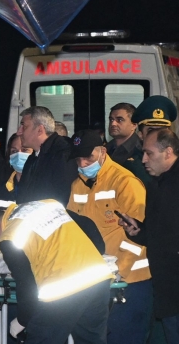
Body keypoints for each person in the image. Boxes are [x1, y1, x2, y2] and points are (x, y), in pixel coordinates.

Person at [0, 201, 112, 343]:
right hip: (98, 278)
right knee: (91, 339)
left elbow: (26, 283)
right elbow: (86, 223)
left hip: (64, 287)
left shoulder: (8, 237)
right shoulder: (45, 204)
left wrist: (22, 320)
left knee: (40, 338)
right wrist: (97, 251)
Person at [66, 130, 151, 344]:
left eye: (89, 157)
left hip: (129, 281)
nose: (83, 163)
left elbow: (137, 236)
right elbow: (72, 229)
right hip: (99, 279)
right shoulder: (78, 184)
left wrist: (119, 271)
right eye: (78, 159)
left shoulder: (125, 182)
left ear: (103, 151)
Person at [119, 118, 179, 341]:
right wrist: (139, 231)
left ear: (168, 152)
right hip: (168, 287)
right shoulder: (160, 183)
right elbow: (162, 232)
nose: (143, 159)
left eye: (149, 153)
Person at [17, 106, 78, 206]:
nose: (19, 132)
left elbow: (64, 199)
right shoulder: (33, 158)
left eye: (24, 126)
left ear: (40, 130)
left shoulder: (63, 155)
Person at [106, 102, 152, 187]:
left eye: (119, 120)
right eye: (111, 119)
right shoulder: (105, 149)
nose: (113, 124)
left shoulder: (142, 150)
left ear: (134, 125)